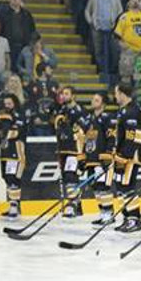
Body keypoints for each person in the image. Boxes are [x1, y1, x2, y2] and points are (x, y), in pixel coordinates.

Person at [111, 83, 141, 233]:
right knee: (121, 187)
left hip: (130, 156)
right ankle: (128, 218)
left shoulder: (132, 111)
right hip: (122, 155)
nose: (115, 96)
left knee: (127, 187)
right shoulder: (125, 110)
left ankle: (135, 219)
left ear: (122, 93)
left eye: (116, 93)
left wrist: (124, 155)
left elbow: (134, 137)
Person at [0, 93, 26, 219]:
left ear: (14, 103)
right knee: (5, 177)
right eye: (5, 104)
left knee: (12, 177)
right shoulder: (3, 116)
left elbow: (15, 133)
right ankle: (14, 204)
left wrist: (1, 134)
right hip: (4, 152)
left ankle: (14, 205)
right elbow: (0, 134)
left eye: (9, 103)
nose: (7, 106)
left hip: (15, 151)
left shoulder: (18, 116)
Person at [51, 85, 88, 217]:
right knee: (66, 178)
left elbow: (83, 131)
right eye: (63, 94)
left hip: (74, 149)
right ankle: (78, 205)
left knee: (70, 175)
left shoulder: (80, 111)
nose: (64, 96)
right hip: (63, 149)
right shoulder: (61, 110)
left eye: (67, 94)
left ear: (73, 96)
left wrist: (81, 153)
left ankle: (72, 204)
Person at [82, 92, 118, 225]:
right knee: (96, 188)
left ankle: (109, 214)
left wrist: (107, 158)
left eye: (96, 100)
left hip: (102, 159)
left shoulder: (108, 118)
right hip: (91, 159)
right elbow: (86, 139)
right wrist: (84, 158)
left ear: (103, 103)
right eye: (93, 99)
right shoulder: (89, 119)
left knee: (103, 188)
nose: (93, 101)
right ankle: (103, 214)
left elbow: (111, 138)